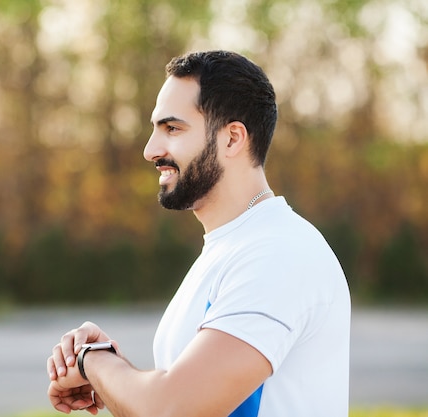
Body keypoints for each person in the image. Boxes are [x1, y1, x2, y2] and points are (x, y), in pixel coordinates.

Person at [46, 50, 351, 417]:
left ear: (232, 139)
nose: (150, 150)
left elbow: (171, 409)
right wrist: (114, 371)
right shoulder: (232, 248)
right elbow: (175, 398)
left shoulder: (279, 252)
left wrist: (92, 362)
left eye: (172, 128)